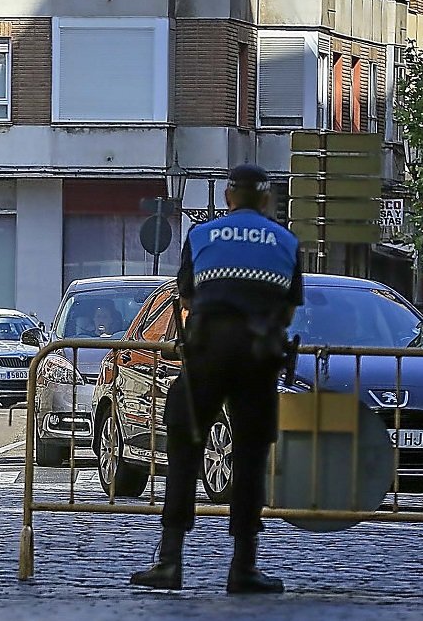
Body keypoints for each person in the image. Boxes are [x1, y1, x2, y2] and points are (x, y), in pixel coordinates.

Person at [130, 163, 302, 595]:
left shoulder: (202, 235)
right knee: (249, 459)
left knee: (184, 450)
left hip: (206, 353)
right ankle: (243, 566)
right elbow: (289, 306)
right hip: (258, 356)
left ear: (228, 197)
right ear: (265, 199)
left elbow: (185, 295)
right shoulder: (286, 241)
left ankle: (169, 561)